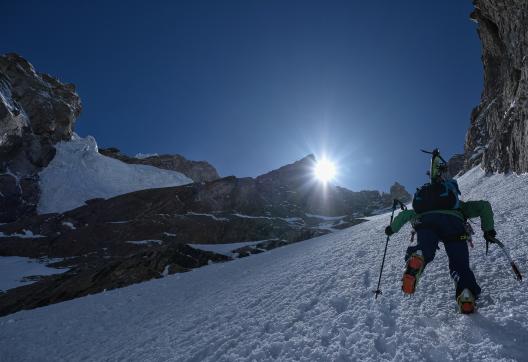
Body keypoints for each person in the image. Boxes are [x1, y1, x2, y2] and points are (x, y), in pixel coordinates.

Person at [384, 149, 496, 314]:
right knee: (459, 264)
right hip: (454, 223)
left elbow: (407, 214)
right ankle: (466, 292)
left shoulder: (425, 201)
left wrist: (391, 229)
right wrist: (488, 230)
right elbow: (484, 206)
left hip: (426, 221)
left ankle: (419, 256)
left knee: (426, 247)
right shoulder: (457, 204)